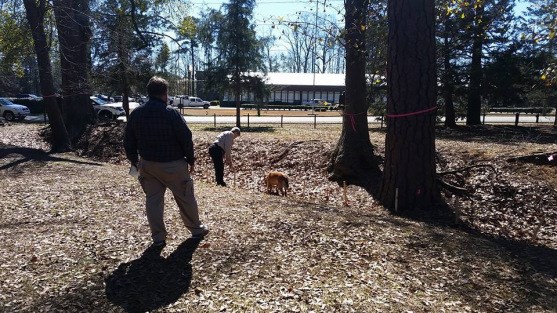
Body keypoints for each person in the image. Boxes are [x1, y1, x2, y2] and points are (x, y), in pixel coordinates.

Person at [124, 76, 208, 247]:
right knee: (185, 197)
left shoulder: (137, 113)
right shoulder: (171, 113)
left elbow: (128, 140)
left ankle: (158, 237)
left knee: (153, 200)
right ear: (165, 93)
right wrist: (191, 159)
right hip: (173, 164)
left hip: (147, 164)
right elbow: (186, 138)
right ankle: (196, 229)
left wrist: (134, 161)